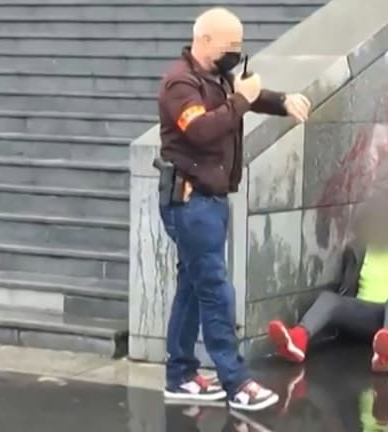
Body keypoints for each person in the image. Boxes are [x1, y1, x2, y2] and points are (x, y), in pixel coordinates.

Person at [157, 7, 311, 410]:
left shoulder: (216, 77)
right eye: (230, 46)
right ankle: (236, 382)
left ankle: (181, 374)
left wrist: (281, 101)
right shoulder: (180, 83)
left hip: (212, 199)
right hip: (190, 203)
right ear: (204, 40)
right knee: (215, 291)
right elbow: (203, 130)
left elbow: (247, 98)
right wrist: (241, 98)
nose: (236, 54)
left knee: (192, 289)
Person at [267, 194, 388, 372]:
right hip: (366, 316)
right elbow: (348, 287)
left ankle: (386, 350)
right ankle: (297, 340)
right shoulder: (356, 249)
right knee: (329, 299)